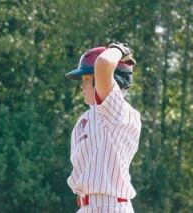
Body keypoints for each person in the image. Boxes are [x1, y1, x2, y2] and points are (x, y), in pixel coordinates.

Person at [65, 42, 142, 212]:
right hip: (87, 206)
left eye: (86, 79)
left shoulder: (116, 110)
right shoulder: (87, 118)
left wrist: (119, 50)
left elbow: (103, 64)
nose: (81, 85)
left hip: (110, 206)